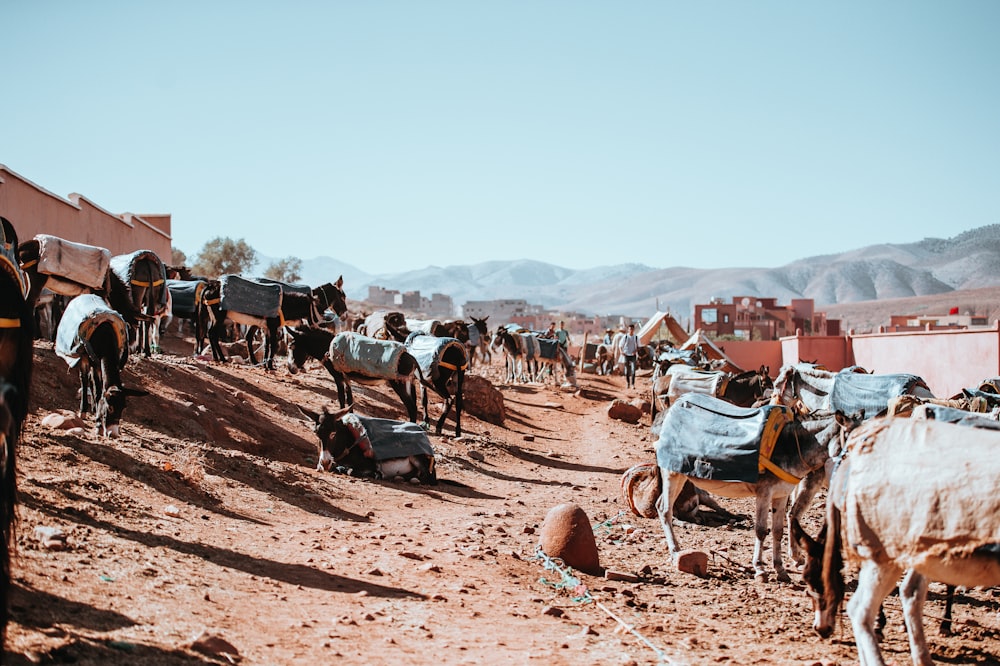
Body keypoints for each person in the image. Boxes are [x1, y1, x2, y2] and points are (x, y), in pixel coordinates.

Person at [621, 323, 640, 389]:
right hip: (626, 355)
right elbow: (620, 345)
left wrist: (635, 351)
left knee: (633, 370)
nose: (631, 330)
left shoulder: (636, 337)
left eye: (632, 329)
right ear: (628, 330)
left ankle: (632, 384)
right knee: (626, 371)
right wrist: (621, 352)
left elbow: (638, 346)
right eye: (630, 329)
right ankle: (628, 383)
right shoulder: (625, 337)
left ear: (633, 330)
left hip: (633, 355)